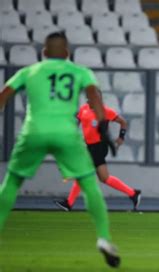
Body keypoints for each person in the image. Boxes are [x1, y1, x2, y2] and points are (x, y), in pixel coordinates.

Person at [0, 32, 120, 268]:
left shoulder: (29, 71)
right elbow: (94, 98)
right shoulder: (80, 71)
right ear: (67, 54)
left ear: (44, 53)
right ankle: (104, 239)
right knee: (89, 185)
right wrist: (104, 129)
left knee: (11, 183)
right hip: (66, 134)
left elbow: (4, 96)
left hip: (32, 132)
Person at [54, 100, 141, 211]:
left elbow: (123, 122)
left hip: (100, 146)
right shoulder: (84, 108)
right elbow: (77, 122)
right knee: (104, 178)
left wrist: (121, 137)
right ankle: (133, 193)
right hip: (89, 147)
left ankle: (69, 203)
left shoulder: (106, 112)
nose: (88, 99)